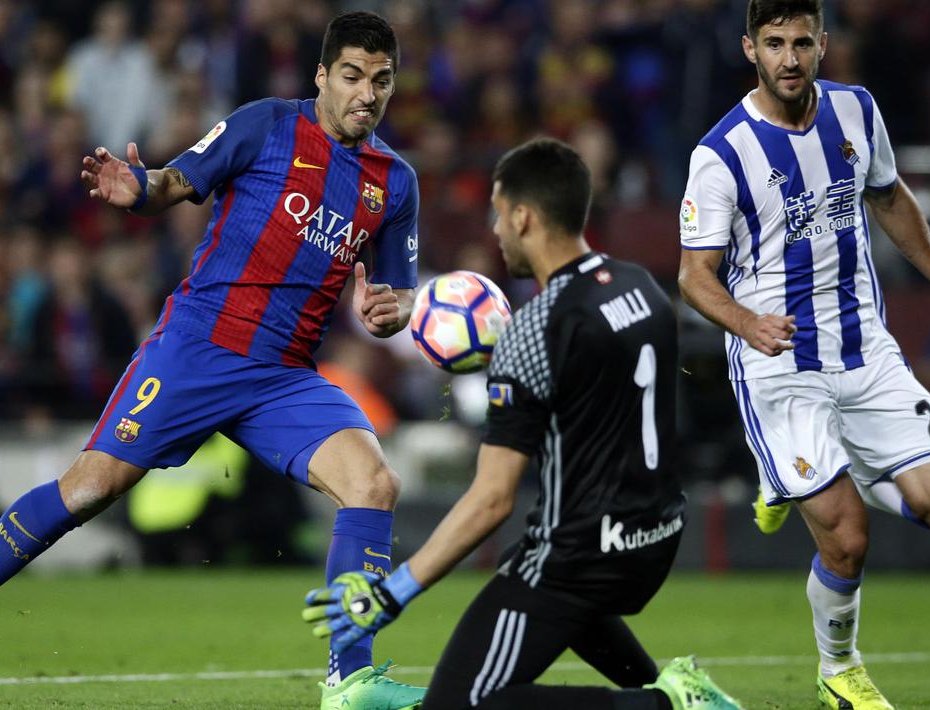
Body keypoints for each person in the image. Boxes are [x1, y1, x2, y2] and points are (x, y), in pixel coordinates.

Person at [0, 12, 425, 710]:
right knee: (89, 489)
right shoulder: (265, 125)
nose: (367, 94)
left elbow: (399, 292)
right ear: (321, 75)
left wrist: (394, 310)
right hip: (198, 347)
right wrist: (139, 190)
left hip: (283, 377)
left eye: (381, 80)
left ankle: (349, 681)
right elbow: (173, 181)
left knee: (373, 484)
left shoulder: (394, 183)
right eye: (351, 76)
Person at [304, 138, 742, 710]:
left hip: (578, 555)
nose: (495, 228)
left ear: (524, 217)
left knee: (457, 705)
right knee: (522, 563)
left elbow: (492, 501)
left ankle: (668, 705)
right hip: (657, 535)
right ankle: (659, 684)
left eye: (498, 212)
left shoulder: (536, 329)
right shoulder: (641, 287)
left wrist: (394, 593)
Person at [675, 1, 930, 707]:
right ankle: (838, 669)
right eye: (774, 43)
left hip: (864, 349)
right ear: (749, 48)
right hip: (779, 364)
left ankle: (789, 478)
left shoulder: (856, 110)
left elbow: (890, 197)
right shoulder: (720, 153)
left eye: (802, 43)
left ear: (822, 43)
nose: (789, 58)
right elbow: (693, 275)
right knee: (846, 538)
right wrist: (745, 322)